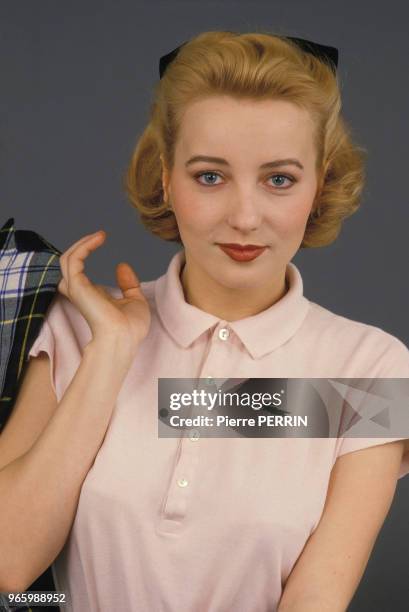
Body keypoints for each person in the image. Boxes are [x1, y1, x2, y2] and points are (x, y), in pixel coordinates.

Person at [0, 30, 408, 612]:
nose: (245, 216)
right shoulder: (78, 330)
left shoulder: (370, 369)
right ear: (166, 179)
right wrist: (110, 353)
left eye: (280, 179)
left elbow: (317, 597)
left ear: (320, 186)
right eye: (210, 176)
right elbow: (8, 564)